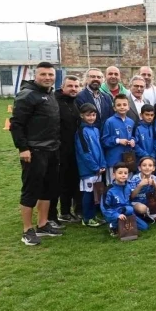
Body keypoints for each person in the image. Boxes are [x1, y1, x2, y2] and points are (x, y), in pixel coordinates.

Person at [50, 74, 82, 225]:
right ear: (62, 87)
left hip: (72, 151)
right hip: (57, 151)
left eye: (76, 86)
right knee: (56, 185)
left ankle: (65, 212)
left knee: (70, 182)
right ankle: (51, 216)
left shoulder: (75, 103)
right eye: (70, 86)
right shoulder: (55, 102)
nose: (73, 89)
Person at [75, 103, 106, 227]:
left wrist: (103, 164)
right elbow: (85, 152)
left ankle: (93, 216)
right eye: (88, 115)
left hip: (98, 168)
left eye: (93, 115)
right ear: (82, 115)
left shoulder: (96, 130)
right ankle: (87, 218)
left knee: (95, 193)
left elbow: (100, 149)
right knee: (88, 193)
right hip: (88, 170)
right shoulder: (81, 132)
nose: (91, 118)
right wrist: (95, 167)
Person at [102, 162, 150, 235]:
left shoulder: (128, 185)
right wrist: (117, 215)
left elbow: (134, 192)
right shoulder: (109, 190)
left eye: (125, 173)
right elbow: (105, 208)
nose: (123, 175)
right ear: (114, 175)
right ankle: (112, 225)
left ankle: (125, 223)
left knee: (144, 227)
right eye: (120, 173)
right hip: (115, 213)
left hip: (128, 212)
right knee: (129, 209)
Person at [101, 94, 136, 185]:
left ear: (128, 107)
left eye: (124, 105)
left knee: (128, 184)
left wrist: (132, 140)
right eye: (119, 105)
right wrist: (118, 141)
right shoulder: (109, 121)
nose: (122, 107)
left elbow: (132, 136)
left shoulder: (131, 122)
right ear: (114, 108)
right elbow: (104, 140)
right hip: (114, 160)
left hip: (128, 160)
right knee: (112, 184)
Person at [129, 156, 156, 224]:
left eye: (150, 165)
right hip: (137, 203)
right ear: (139, 168)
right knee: (142, 209)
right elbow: (131, 196)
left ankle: (146, 216)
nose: (147, 167)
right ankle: (138, 215)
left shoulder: (155, 178)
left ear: (153, 168)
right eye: (144, 165)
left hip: (150, 204)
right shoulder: (135, 178)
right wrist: (140, 185)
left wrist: (155, 184)